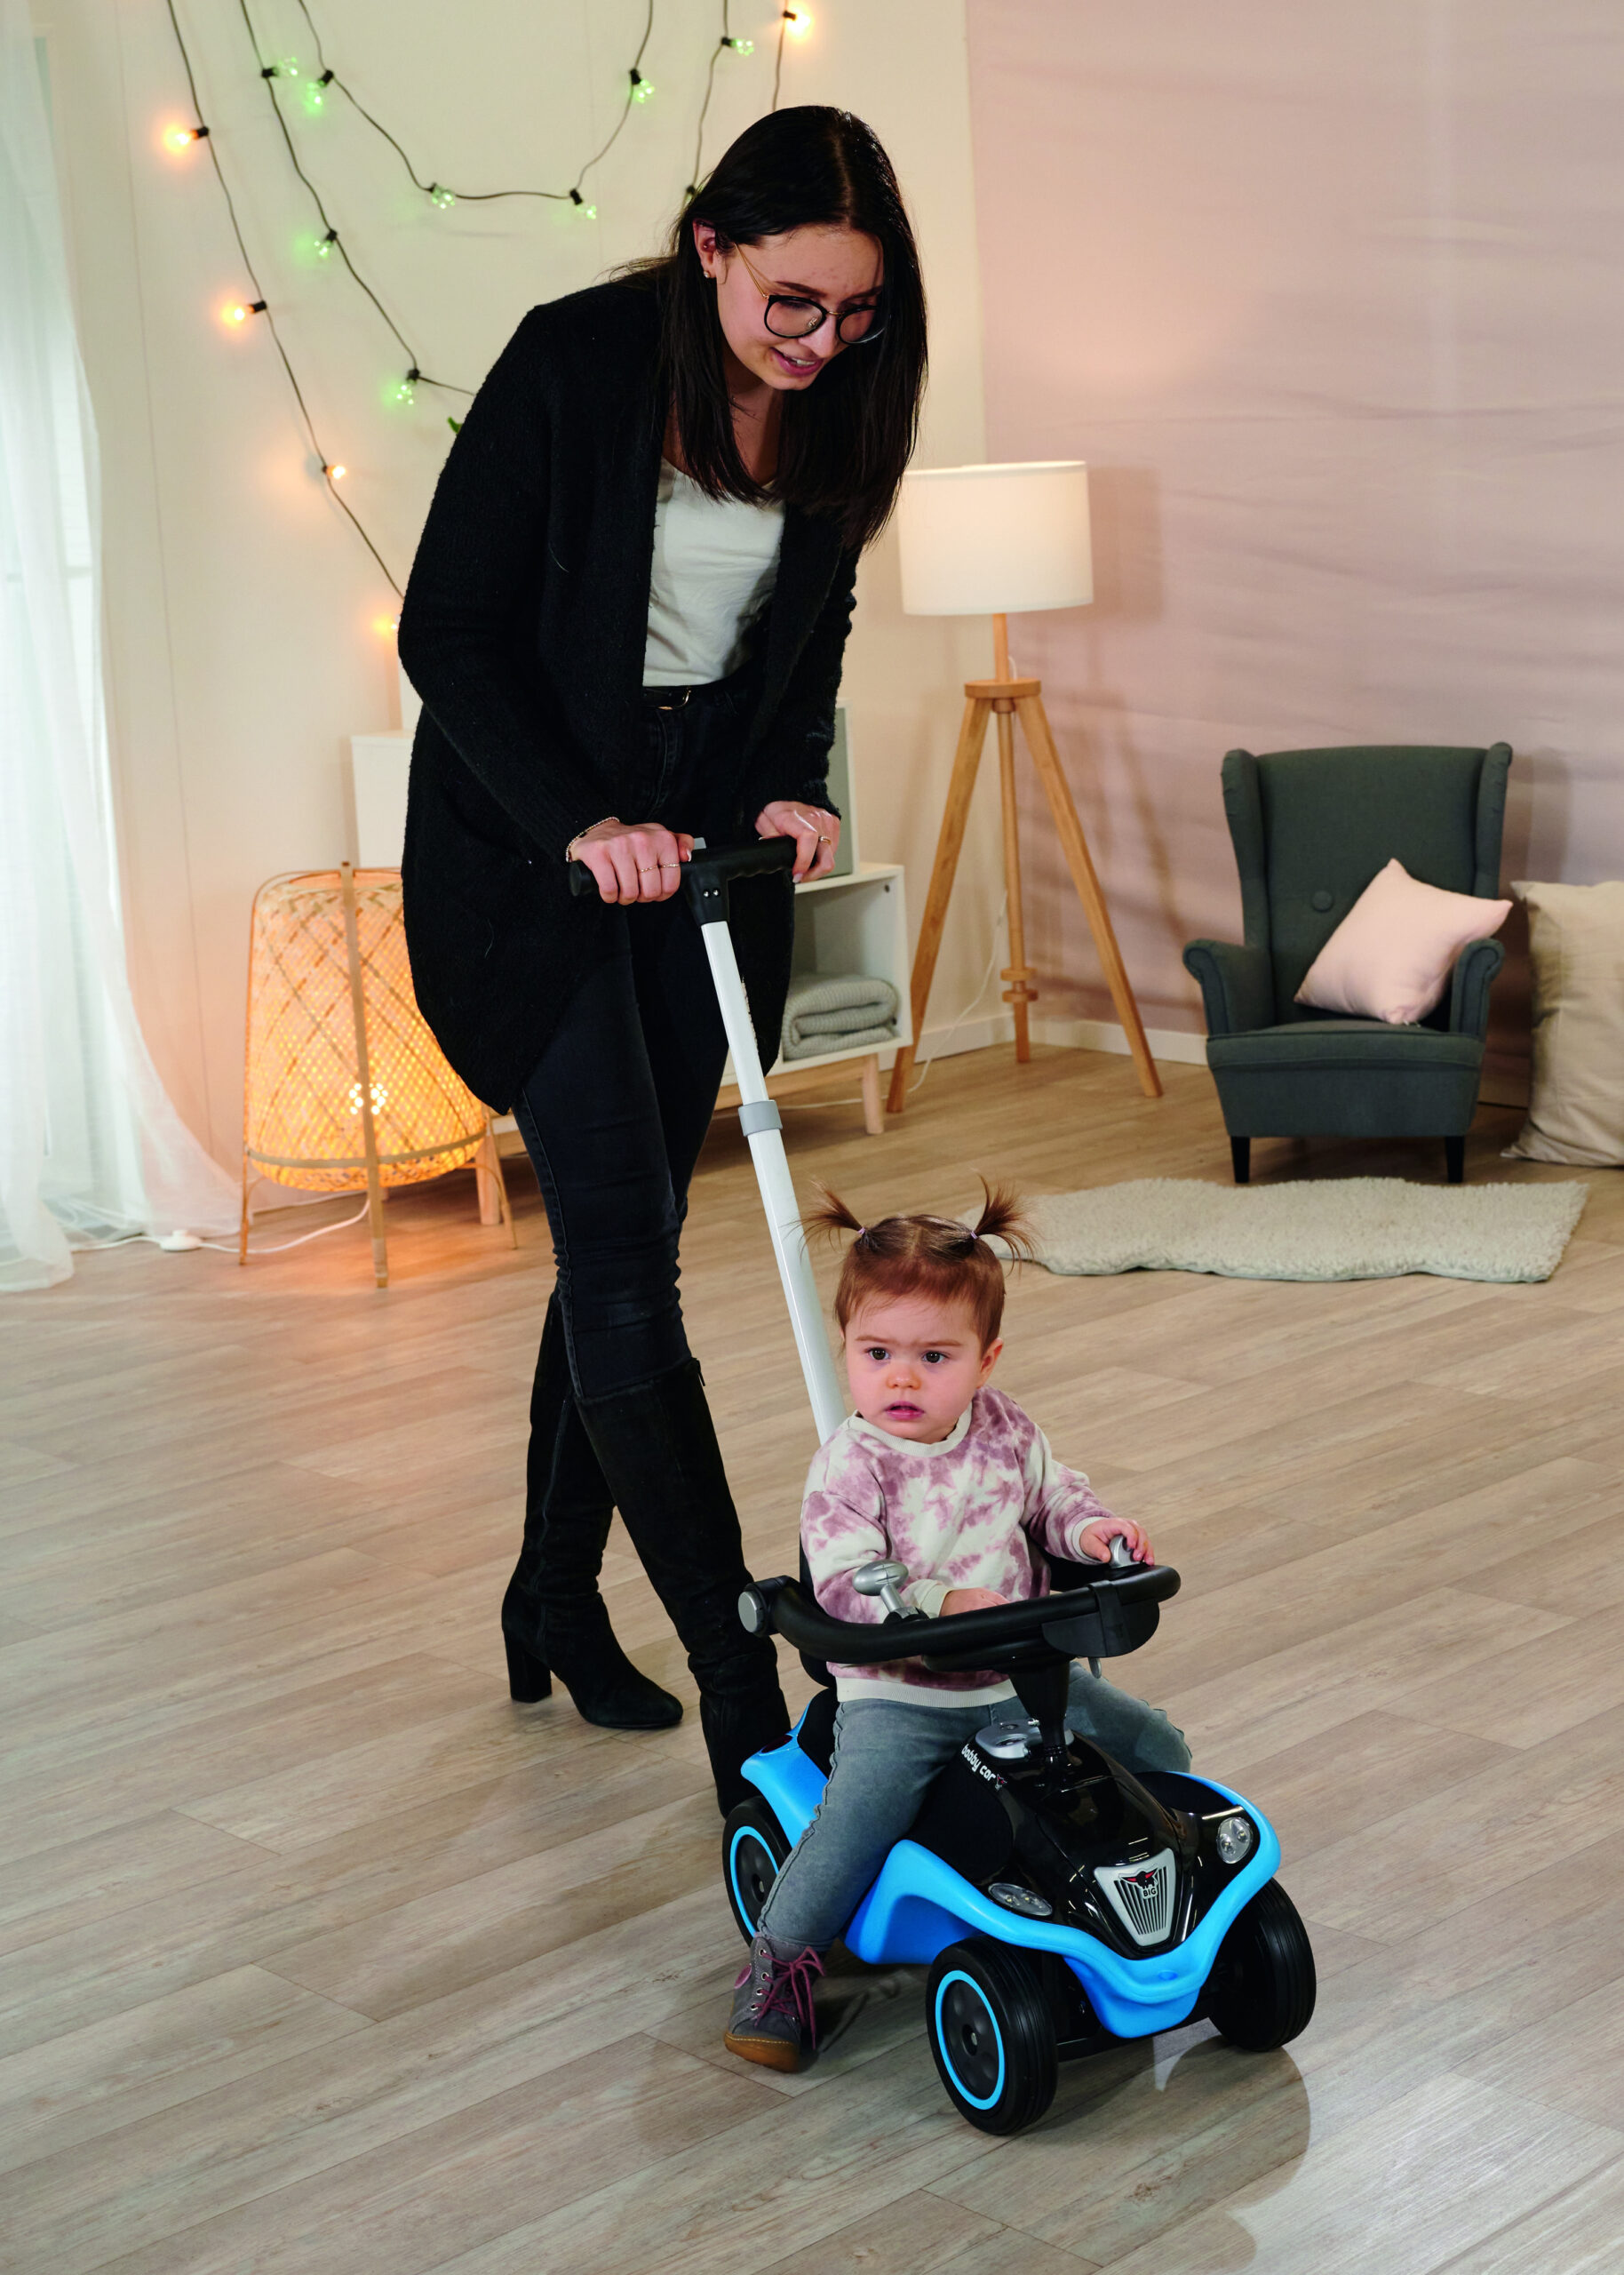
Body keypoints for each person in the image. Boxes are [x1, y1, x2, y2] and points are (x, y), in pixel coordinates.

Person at [397, 109, 927, 1816]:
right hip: (528, 851)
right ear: (710, 247)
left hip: (698, 849)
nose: (821, 341)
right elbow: (446, 630)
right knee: (623, 1264)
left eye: (855, 313)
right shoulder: (574, 362)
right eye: (791, 303)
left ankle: (553, 1594)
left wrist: (790, 780)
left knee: (625, 1245)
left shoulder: (839, 398)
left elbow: (811, 622)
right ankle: (739, 1683)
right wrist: (574, 820)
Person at [724, 1185, 1190, 2071]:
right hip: (901, 1695)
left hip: (1023, 1676)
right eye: (877, 1354)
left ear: (985, 1359)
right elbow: (845, 1583)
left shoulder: (1006, 1429)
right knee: (859, 1820)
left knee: (1153, 1746)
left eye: (933, 1356)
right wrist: (936, 1603)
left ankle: (1163, 1900)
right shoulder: (849, 1468)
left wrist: (1093, 1532)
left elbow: (1054, 1500)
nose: (901, 1378)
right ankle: (777, 1966)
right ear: (846, 1349)